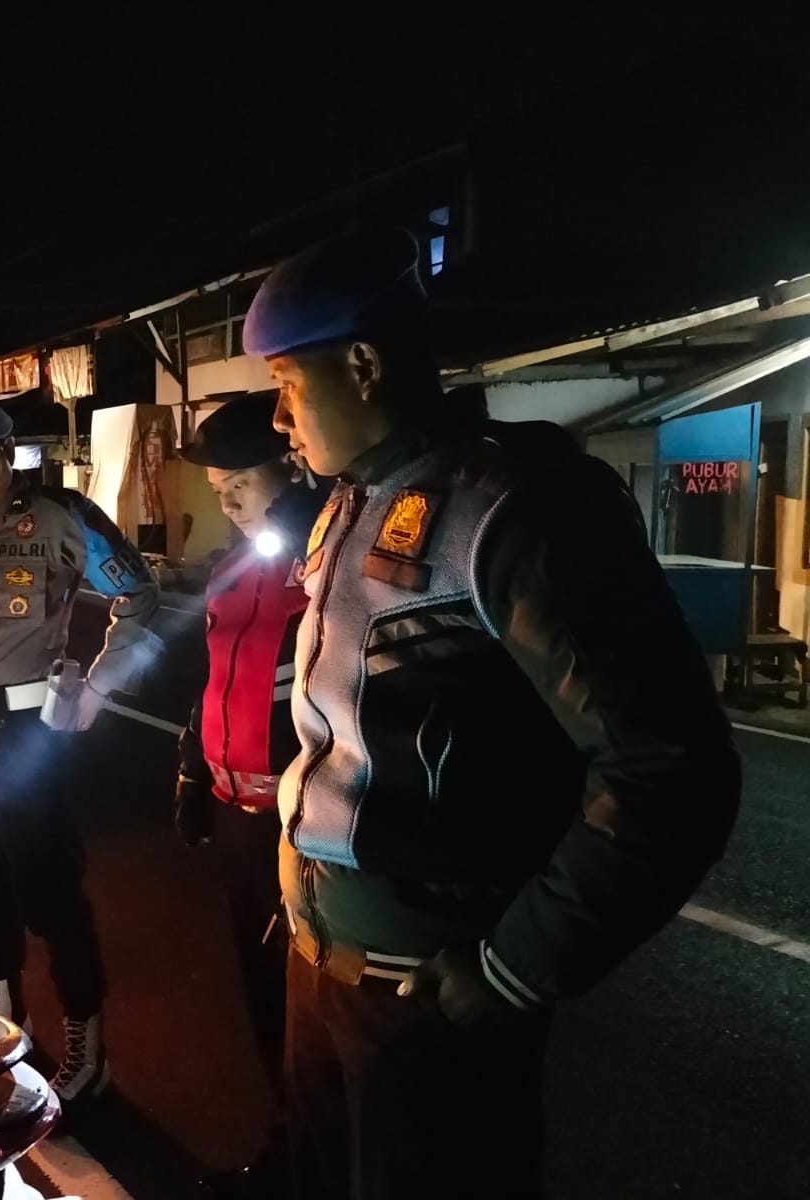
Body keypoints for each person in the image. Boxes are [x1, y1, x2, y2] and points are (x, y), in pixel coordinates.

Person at [242, 228, 741, 1198]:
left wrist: (513, 965)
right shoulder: (351, 501)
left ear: (362, 363)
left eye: (288, 384)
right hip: (321, 972)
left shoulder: (512, 509)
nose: (276, 418)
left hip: (424, 1005)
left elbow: (665, 766)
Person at [0, 393, 163, 1106]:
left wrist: (99, 688)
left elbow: (139, 593)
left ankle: (86, 1050)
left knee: (51, 896)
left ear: (4, 456)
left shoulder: (59, 517)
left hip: (24, 736)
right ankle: (4, 1034)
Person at [176, 394, 329, 1198]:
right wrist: (193, 771)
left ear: (293, 472)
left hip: (300, 822)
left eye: (242, 484)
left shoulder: (325, 555)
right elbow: (215, 678)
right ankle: (289, 1143)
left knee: (315, 1011)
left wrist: (309, 528)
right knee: (264, 995)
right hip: (238, 814)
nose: (227, 502)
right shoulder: (229, 566)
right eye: (219, 487)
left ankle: (323, 1160)